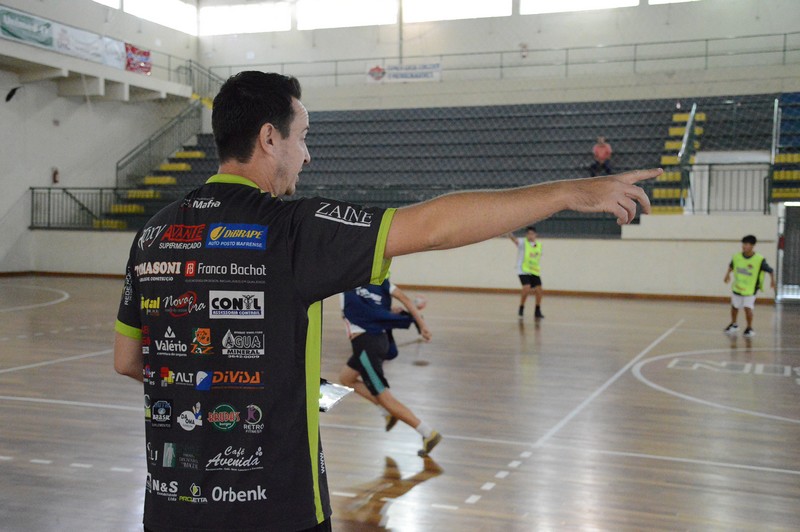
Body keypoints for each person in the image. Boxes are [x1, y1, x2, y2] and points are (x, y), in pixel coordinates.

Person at [113, 70, 660, 532]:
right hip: (275, 510)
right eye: (303, 137)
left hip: (168, 508)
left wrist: (218, 385)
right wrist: (568, 192)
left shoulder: (153, 234)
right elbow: (435, 226)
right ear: (269, 139)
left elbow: (128, 360)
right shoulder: (293, 229)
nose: (307, 155)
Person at [339, 278, 438, 456]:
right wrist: (422, 324)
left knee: (385, 397)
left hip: (366, 346)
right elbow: (404, 298)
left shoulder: (346, 281)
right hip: (379, 340)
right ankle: (387, 412)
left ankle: (427, 432)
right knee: (346, 378)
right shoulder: (378, 280)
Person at [723, 234, 776, 338]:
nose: (744, 246)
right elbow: (731, 266)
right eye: (743, 244)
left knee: (748, 308)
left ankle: (749, 328)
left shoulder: (759, 259)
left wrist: (772, 281)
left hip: (751, 289)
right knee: (734, 307)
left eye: (747, 244)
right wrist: (727, 275)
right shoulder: (737, 257)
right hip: (738, 286)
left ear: (752, 246)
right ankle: (734, 324)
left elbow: (770, 270)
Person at [509, 226, 544, 319]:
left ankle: (537, 310)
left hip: (534, 271)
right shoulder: (523, 243)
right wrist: (509, 233)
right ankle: (522, 306)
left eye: (532, 234)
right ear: (526, 235)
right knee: (526, 287)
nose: (530, 235)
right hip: (523, 270)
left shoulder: (539, 245)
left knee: (539, 290)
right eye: (528, 234)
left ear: (536, 235)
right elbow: (514, 240)